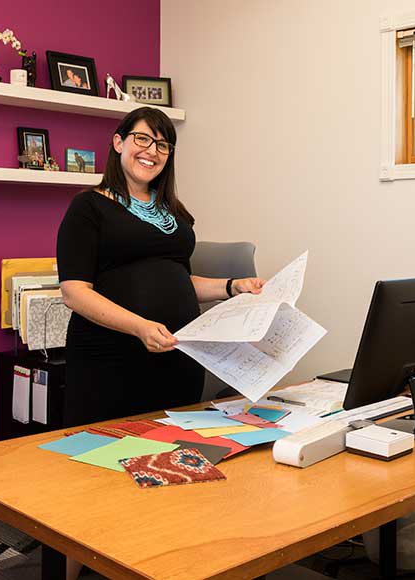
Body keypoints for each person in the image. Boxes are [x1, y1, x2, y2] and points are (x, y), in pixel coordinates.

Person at [56, 107, 264, 579]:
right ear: (118, 142)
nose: (151, 152)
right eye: (143, 140)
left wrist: (233, 286)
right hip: (110, 363)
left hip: (174, 360)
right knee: (95, 477)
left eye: (162, 145)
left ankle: (153, 565)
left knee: (166, 474)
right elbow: (74, 291)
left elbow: (180, 282)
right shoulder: (89, 207)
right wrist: (139, 326)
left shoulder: (173, 213)